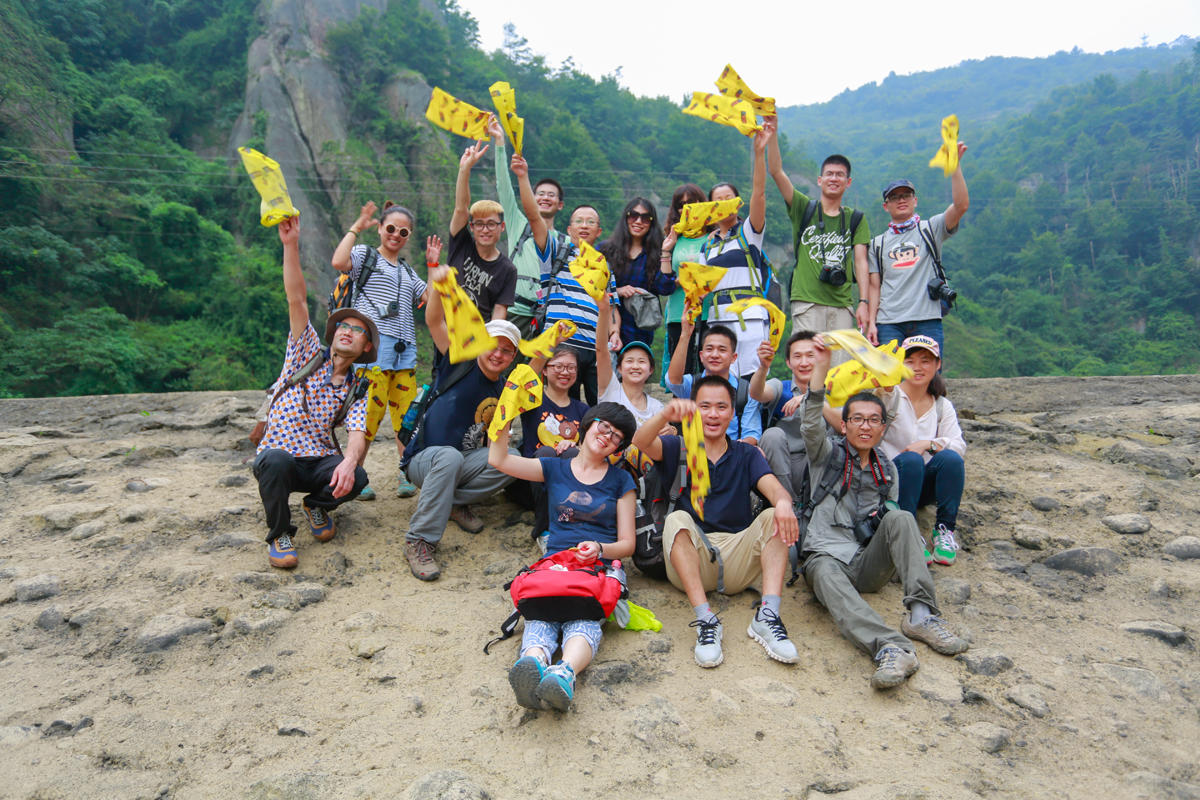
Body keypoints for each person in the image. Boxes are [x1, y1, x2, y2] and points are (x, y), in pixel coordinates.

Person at [800, 341, 968, 690]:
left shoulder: (887, 470)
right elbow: (811, 421)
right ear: (844, 425)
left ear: (882, 428)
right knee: (824, 572)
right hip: (826, 556)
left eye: (874, 420)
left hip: (867, 563)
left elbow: (889, 523)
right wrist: (821, 368)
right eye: (857, 419)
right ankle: (890, 647)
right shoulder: (826, 455)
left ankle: (921, 614)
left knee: (901, 517)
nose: (866, 426)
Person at [632, 376, 801, 667]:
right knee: (677, 519)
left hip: (737, 556)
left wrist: (784, 503)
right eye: (705, 406)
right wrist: (665, 414)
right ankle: (706, 619)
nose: (713, 414)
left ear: (732, 413)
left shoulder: (747, 454)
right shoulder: (677, 447)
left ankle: (767, 615)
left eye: (721, 407)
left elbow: (774, 489)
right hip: (691, 558)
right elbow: (640, 442)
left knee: (775, 514)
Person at [489, 403, 637, 711]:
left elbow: (627, 544)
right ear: (589, 423)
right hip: (555, 565)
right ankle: (533, 662)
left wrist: (600, 548)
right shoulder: (554, 468)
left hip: (598, 568)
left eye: (617, 436)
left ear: (619, 447)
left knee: (583, 617)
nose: (607, 436)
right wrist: (507, 410)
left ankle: (564, 671)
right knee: (542, 611)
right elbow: (498, 459)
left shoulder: (621, 481)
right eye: (604, 426)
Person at [253, 216, 375, 569]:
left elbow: (357, 433)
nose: (348, 331)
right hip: (280, 457)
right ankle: (280, 533)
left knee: (358, 476)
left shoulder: (356, 386)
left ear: (366, 347)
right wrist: (290, 244)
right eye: (343, 326)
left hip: (317, 461)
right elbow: (297, 299)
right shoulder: (305, 354)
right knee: (276, 460)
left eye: (358, 330)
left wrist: (349, 462)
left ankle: (316, 505)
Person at [400, 237, 520, 581]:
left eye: (507, 351)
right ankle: (420, 539)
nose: (498, 354)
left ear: (513, 357)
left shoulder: (503, 389)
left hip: (462, 464)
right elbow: (434, 321)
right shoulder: (459, 360)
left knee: (511, 459)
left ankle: (448, 502)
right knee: (449, 457)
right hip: (424, 460)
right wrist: (439, 282)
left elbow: (493, 441)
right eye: (493, 346)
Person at [331, 200, 428, 499]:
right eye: (391, 229)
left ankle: (406, 472)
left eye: (403, 232)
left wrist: (436, 267)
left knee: (407, 417)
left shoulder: (408, 271)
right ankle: (356, 474)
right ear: (381, 228)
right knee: (367, 415)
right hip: (374, 349)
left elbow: (430, 298)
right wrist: (357, 227)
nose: (396, 235)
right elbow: (339, 261)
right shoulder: (366, 255)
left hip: (405, 350)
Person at [511, 151, 618, 405]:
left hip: (595, 349)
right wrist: (523, 177)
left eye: (590, 222)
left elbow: (611, 306)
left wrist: (615, 331)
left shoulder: (603, 266)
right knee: (559, 407)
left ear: (599, 231)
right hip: (561, 345)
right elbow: (534, 217)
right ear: (569, 229)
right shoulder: (554, 252)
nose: (584, 225)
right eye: (578, 221)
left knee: (599, 409)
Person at [766, 117, 871, 362]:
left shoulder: (855, 219)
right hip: (807, 303)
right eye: (829, 174)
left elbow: (861, 262)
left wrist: (863, 302)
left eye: (840, 175)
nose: (834, 178)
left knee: (839, 371)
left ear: (848, 182)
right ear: (819, 180)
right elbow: (776, 172)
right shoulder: (804, 208)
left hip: (842, 305)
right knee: (807, 365)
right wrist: (772, 136)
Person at [867, 143, 970, 357]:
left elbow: (961, 206)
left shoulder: (931, 229)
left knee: (928, 375)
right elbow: (874, 288)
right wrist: (871, 323)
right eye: (894, 197)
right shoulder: (877, 244)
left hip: (927, 319)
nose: (901, 200)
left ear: (915, 200)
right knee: (890, 377)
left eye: (906, 195)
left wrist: (955, 167)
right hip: (889, 323)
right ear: (886, 206)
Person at [878, 335, 966, 566]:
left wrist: (929, 444)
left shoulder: (941, 405)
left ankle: (944, 530)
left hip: (923, 483)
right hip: (889, 481)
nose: (917, 367)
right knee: (911, 460)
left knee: (951, 459)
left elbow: (959, 445)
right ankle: (908, 533)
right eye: (910, 361)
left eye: (925, 361)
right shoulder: (888, 396)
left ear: (938, 365)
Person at [699, 125, 771, 378]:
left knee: (752, 381)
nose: (723, 203)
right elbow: (700, 289)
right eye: (717, 200)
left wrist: (759, 154)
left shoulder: (748, 232)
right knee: (720, 382)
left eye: (728, 197)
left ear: (738, 203)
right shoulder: (707, 246)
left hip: (749, 318)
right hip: (717, 320)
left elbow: (759, 194)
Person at [490, 117, 565, 338]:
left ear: (560, 205)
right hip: (513, 312)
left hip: (548, 318)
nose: (545, 198)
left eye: (551, 195)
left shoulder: (565, 242)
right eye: (540, 194)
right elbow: (503, 187)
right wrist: (500, 144)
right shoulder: (519, 224)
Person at [448, 138, 517, 322]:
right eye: (479, 224)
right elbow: (461, 208)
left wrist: (492, 338)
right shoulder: (461, 244)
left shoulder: (507, 269)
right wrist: (465, 170)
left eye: (491, 224)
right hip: (448, 330)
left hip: (479, 335)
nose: (485, 230)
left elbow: (500, 310)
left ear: (502, 227)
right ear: (471, 227)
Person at [750, 330, 820, 501]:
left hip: (818, 464)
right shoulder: (781, 388)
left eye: (810, 356)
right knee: (772, 435)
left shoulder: (832, 392)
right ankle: (787, 504)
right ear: (788, 362)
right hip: (783, 463)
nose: (804, 362)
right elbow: (757, 393)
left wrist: (810, 398)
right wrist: (763, 367)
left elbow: (841, 424)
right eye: (797, 356)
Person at [665, 323, 762, 445]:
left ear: (734, 357)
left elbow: (751, 434)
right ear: (701, 356)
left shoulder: (745, 391)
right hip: (695, 452)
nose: (715, 355)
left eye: (722, 350)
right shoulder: (692, 384)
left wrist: (731, 451)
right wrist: (685, 335)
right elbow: (673, 380)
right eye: (709, 349)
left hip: (732, 451)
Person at [599, 197, 674, 347]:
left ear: (652, 223)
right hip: (604, 327)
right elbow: (590, 287)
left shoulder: (655, 254)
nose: (638, 221)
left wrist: (665, 252)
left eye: (645, 218)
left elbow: (666, 288)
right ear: (626, 218)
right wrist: (618, 291)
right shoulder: (605, 250)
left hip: (639, 332)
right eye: (633, 215)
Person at [595, 290, 667, 430]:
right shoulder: (610, 389)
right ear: (619, 368)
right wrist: (604, 311)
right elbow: (601, 350)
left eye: (641, 361)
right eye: (629, 361)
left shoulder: (656, 407)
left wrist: (672, 430)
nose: (635, 366)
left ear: (651, 369)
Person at [660, 183, 709, 383]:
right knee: (681, 374)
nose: (686, 208)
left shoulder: (713, 237)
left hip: (708, 313)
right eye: (681, 205)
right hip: (678, 314)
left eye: (691, 202)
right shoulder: (674, 238)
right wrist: (666, 250)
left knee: (708, 372)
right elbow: (664, 285)